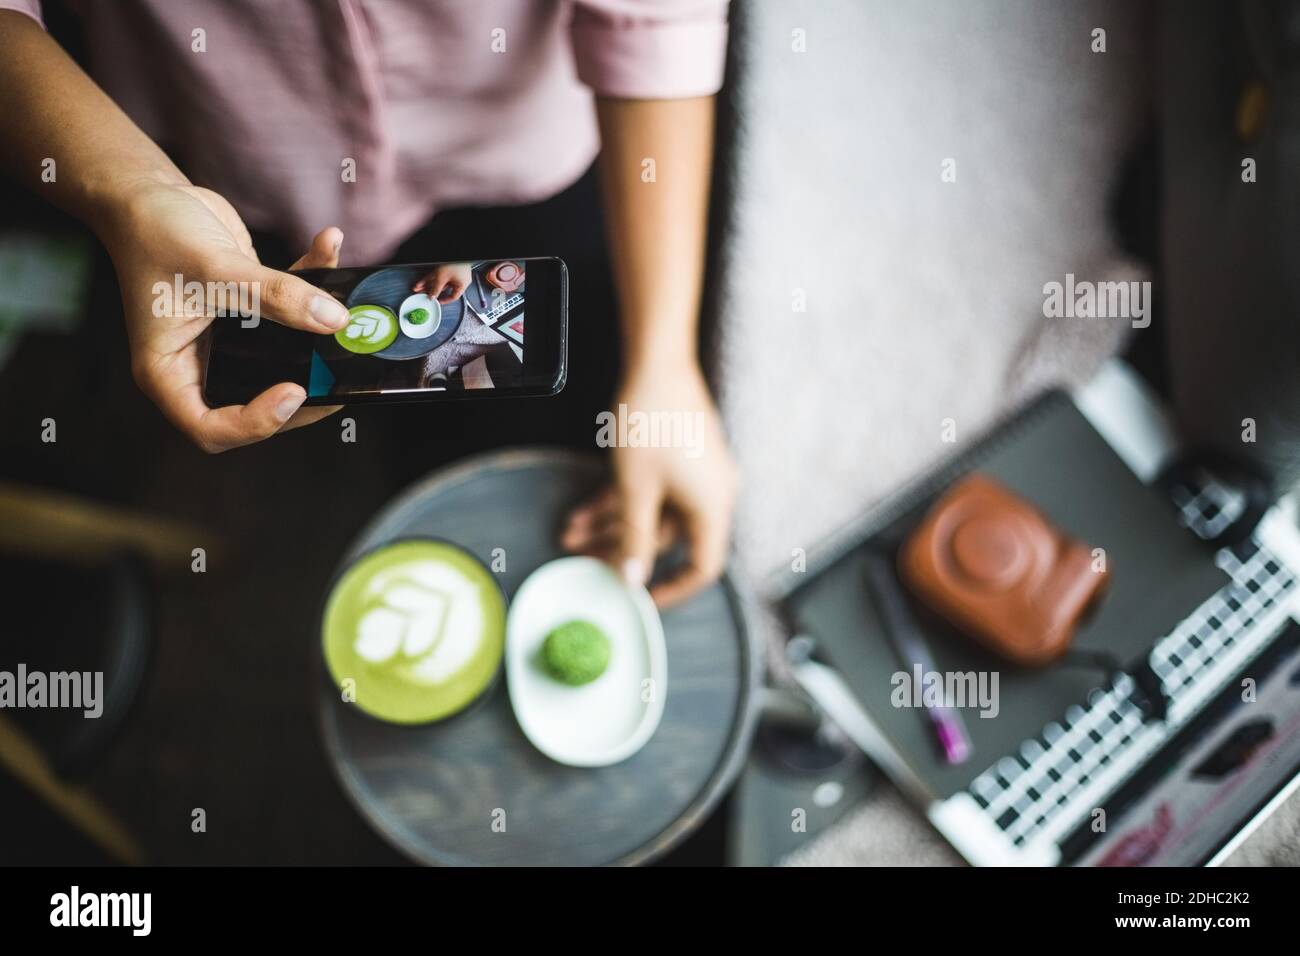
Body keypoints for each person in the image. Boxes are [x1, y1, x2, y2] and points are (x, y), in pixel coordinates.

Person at [0, 1, 737, 607]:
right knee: (353, 393)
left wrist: (666, 361)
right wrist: (131, 193)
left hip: (526, 159)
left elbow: (656, 18)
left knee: (519, 407)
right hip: (214, 178)